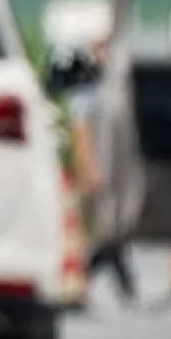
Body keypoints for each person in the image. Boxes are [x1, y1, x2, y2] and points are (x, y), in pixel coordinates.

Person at [66, 37, 138, 306]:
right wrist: (89, 167)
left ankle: (85, 281)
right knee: (105, 232)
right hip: (96, 169)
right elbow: (80, 129)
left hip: (111, 169)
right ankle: (114, 284)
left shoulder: (109, 82)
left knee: (109, 230)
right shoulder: (86, 83)